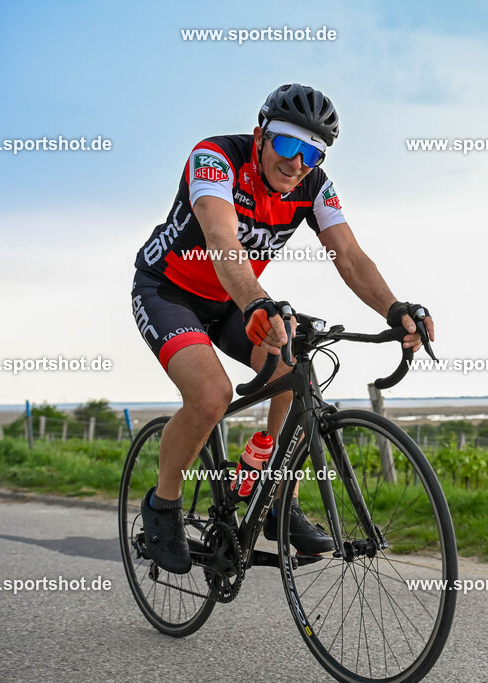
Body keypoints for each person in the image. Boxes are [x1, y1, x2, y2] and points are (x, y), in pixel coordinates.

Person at [130, 83, 433, 573]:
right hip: (169, 291)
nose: (297, 163)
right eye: (288, 145)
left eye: (312, 153)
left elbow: (349, 256)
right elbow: (220, 236)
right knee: (211, 397)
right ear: (261, 136)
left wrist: (394, 308)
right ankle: (162, 506)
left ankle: (277, 502)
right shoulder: (215, 159)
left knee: (296, 375)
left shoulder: (314, 184)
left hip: (234, 298)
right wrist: (256, 302)